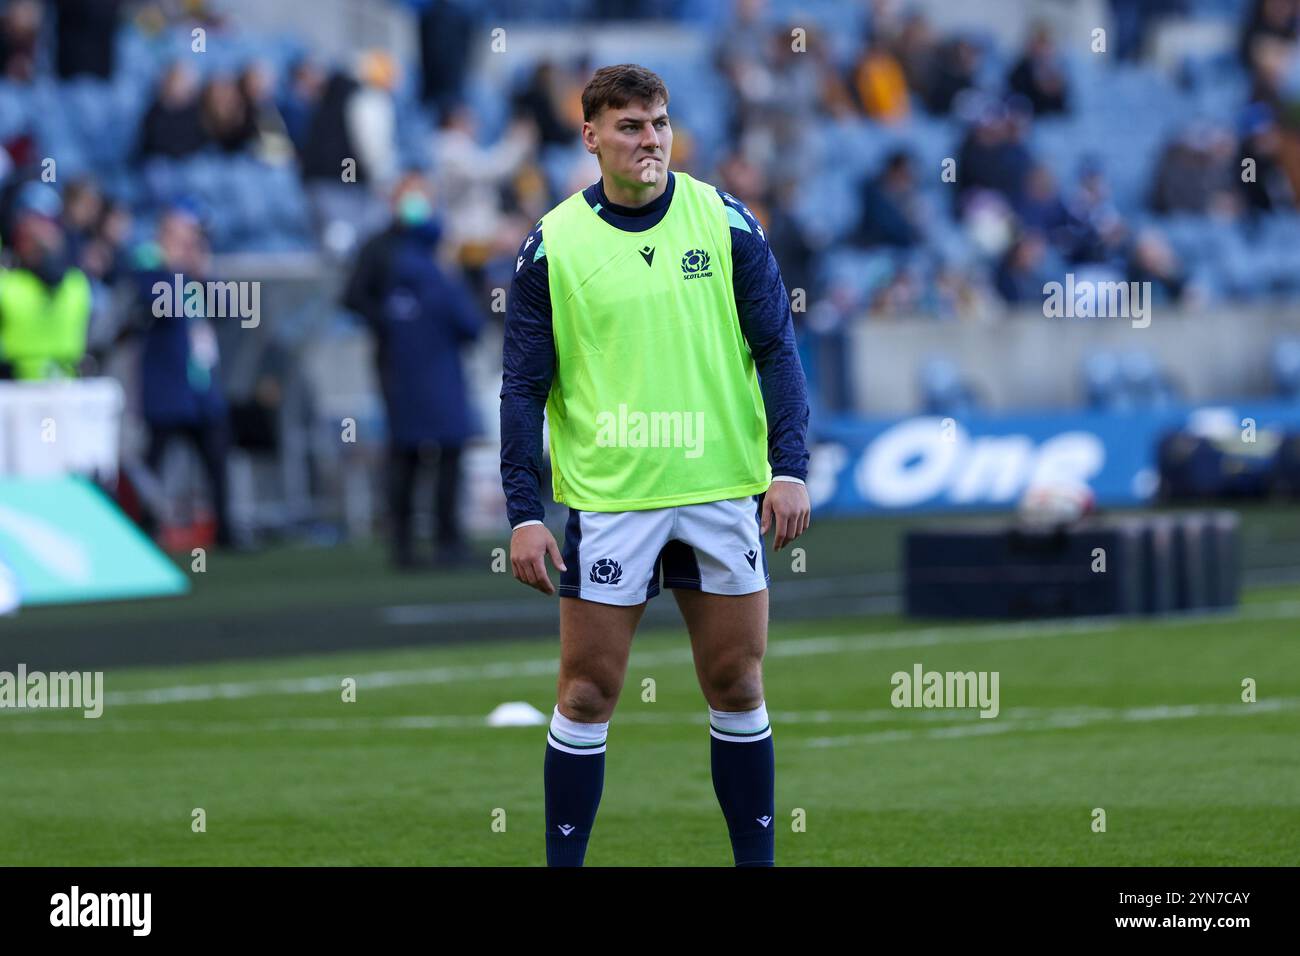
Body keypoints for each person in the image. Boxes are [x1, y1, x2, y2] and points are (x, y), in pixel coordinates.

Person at [500, 64, 811, 867]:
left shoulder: (726, 220)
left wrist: (790, 466)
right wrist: (524, 513)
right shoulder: (554, 245)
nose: (650, 140)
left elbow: (778, 348)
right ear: (592, 137)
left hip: (718, 490)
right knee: (586, 694)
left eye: (660, 124)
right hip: (614, 500)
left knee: (739, 686)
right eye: (631, 127)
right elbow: (523, 386)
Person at [343, 172, 484, 568]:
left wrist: (396, 320)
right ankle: (438, 541)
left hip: (406, 365)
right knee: (431, 452)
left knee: (408, 451)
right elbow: (467, 322)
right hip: (419, 367)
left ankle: (411, 543)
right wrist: (389, 322)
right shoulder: (412, 259)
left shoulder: (401, 257)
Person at [130, 205, 234, 548]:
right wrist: (175, 270)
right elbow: (158, 305)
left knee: (217, 461)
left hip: (202, 388)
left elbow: (226, 312)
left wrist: (203, 273)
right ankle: (143, 530)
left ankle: (226, 529)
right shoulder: (151, 274)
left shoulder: (196, 278)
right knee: (154, 464)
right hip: (168, 389)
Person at [0, 185, 91, 380]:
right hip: (11, 395)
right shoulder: (7, 282)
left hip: (67, 393)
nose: (40, 235)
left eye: (46, 225)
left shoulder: (76, 282)